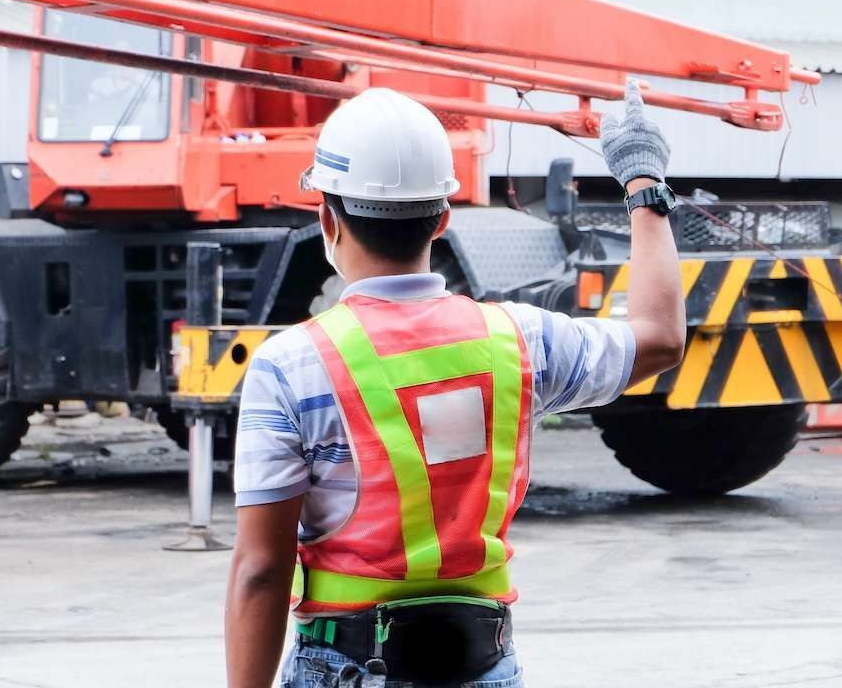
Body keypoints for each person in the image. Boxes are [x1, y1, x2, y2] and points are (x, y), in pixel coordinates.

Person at [224, 83, 684, 688]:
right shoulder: (518, 342)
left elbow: (262, 568)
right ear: (442, 218)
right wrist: (642, 182)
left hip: (346, 663)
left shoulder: (292, 365)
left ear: (327, 220)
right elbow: (660, 337)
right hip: (483, 664)